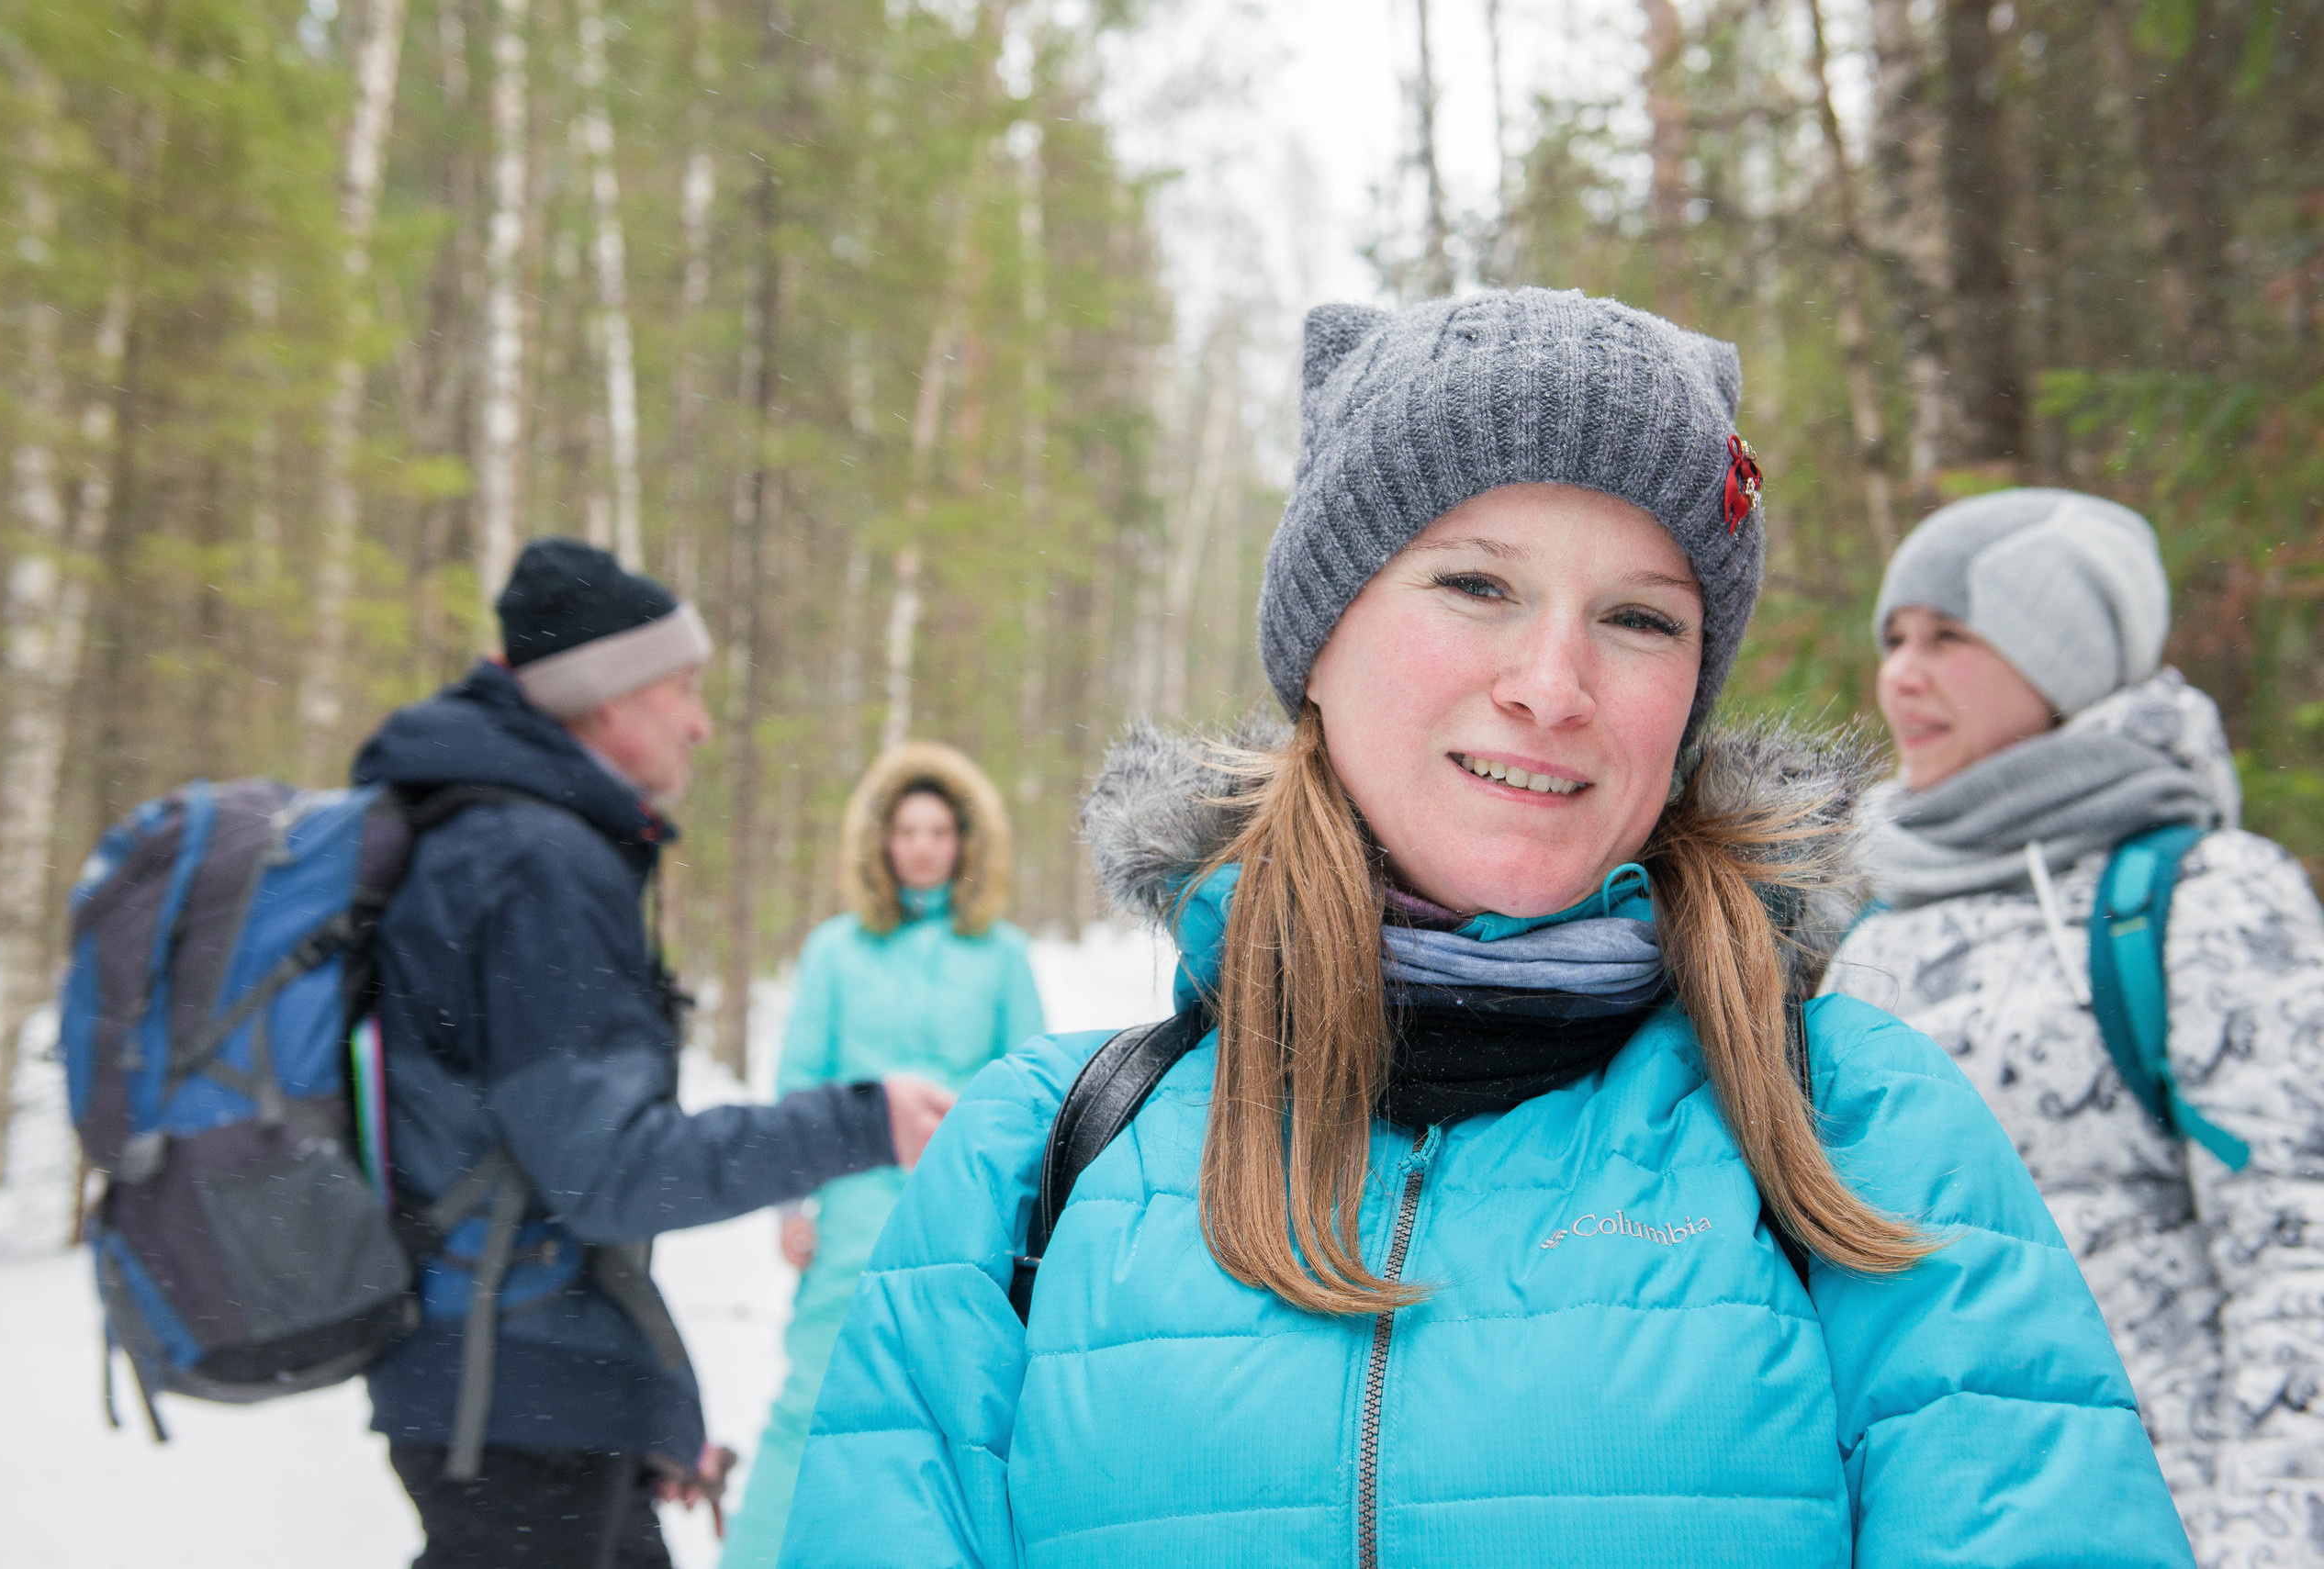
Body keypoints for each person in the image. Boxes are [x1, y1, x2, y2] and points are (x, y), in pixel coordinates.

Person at [776, 290, 2191, 1567]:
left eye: (1641, 618)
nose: (1555, 682)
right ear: (1319, 642)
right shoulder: (1039, 1163)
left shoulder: (1861, 1136)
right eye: (1477, 584)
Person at [353, 537, 957, 1569]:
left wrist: (643, 1409)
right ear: (605, 699)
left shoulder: (500, 835)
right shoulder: (535, 859)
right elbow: (612, 1169)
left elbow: (538, 1175)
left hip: (514, 1379)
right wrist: (863, 1119)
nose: (700, 719)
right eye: (682, 687)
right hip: (513, 1394)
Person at [1823, 489, 2324, 1564]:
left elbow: (2300, 1262)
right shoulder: (1860, 919)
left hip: (2170, 1520)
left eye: (1950, 636)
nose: (1900, 673)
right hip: (1934, 1527)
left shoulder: (2201, 897)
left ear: (2063, 660)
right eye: (1896, 636)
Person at [720, 742, 1044, 1568]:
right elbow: (800, 1084)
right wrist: (790, 1207)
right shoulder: (837, 949)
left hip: (963, 1218)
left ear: (966, 843)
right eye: (908, 829)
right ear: (883, 842)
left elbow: (1033, 1093)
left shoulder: (1000, 953)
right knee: (814, 1398)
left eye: (940, 829)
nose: (925, 844)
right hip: (855, 1212)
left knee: (950, 1409)